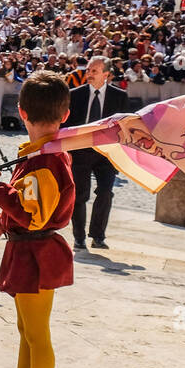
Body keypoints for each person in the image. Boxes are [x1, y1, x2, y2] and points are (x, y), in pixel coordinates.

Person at [0, 71, 76, 368]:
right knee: (25, 329)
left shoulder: (46, 160)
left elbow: (33, 215)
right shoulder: (41, 154)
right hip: (27, 250)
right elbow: (28, 203)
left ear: (21, 112)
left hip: (38, 252)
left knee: (37, 333)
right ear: (65, 114)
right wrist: (1, 223)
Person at [63, 55, 127, 250]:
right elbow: (66, 123)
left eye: (94, 71)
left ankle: (98, 236)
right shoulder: (75, 95)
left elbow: (123, 126)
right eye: (88, 70)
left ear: (106, 75)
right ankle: (79, 237)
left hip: (107, 154)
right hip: (80, 152)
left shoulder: (119, 96)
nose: (88, 74)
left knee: (106, 191)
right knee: (80, 195)